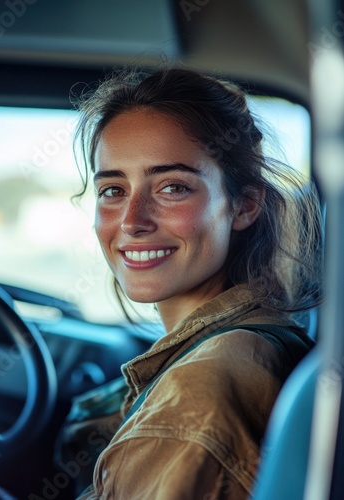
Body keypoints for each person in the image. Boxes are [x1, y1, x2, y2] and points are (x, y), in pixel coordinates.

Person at [73, 67, 323, 499]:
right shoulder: (263, 336)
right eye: (113, 190)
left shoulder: (194, 398)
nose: (132, 222)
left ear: (244, 206)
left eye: (172, 187)